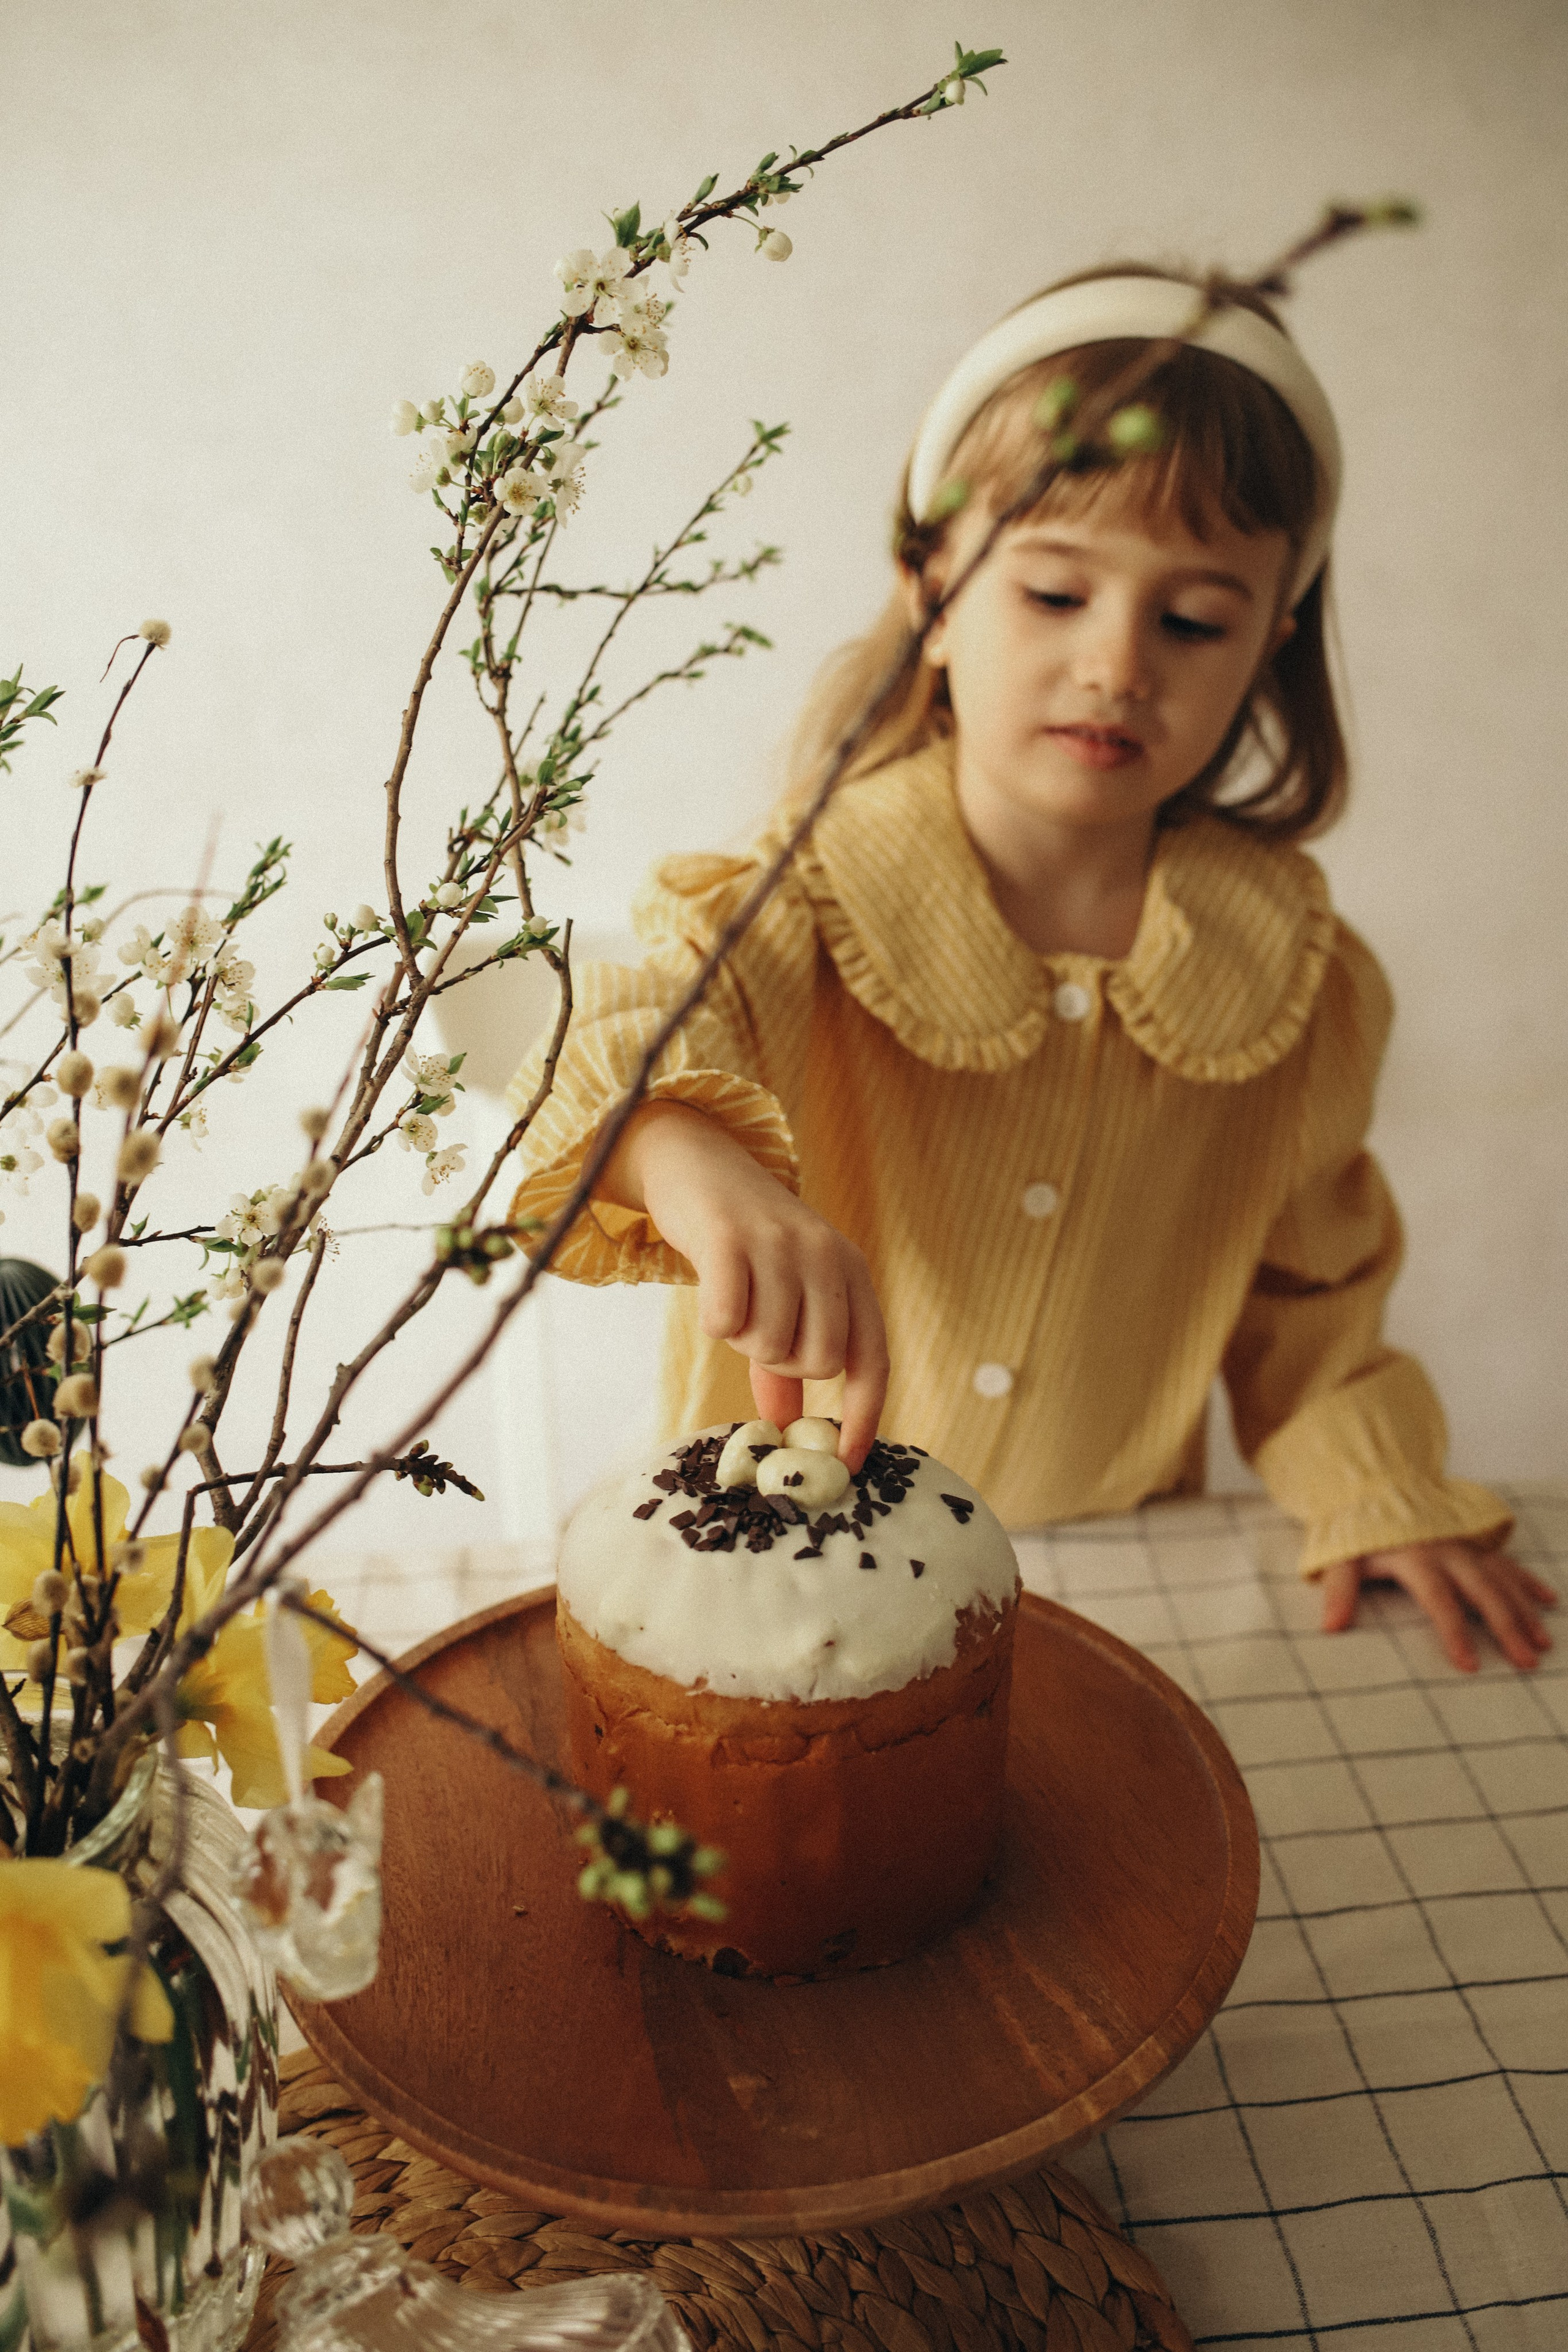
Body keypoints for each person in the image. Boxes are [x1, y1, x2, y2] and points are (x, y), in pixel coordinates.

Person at [507, 263, 1555, 1675]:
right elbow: (607, 1038)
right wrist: (697, 1166)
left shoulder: (1297, 983)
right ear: (933, 588)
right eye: (1055, 590)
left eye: (1190, 622)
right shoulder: (798, 898)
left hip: (1119, 1585)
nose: (1116, 665)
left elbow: (1311, 1316)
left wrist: (1377, 1493)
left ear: (1271, 639)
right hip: (770, 1585)